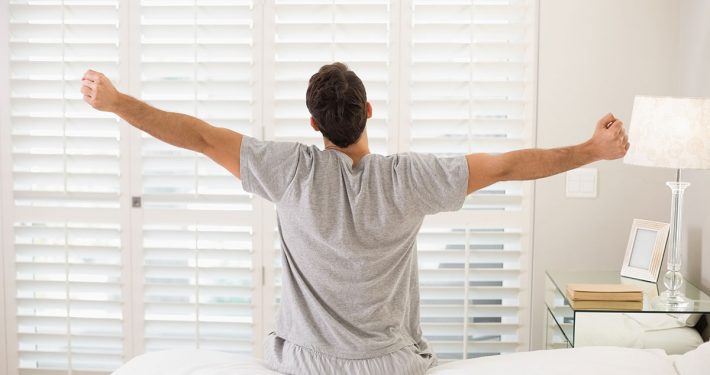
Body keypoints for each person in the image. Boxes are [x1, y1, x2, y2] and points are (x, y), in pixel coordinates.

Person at [81, 62, 629, 375]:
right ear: (368, 111)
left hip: (307, 366)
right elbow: (508, 166)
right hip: (390, 366)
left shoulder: (290, 170)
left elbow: (197, 136)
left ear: (313, 123)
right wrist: (591, 150)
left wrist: (116, 102)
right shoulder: (409, 179)